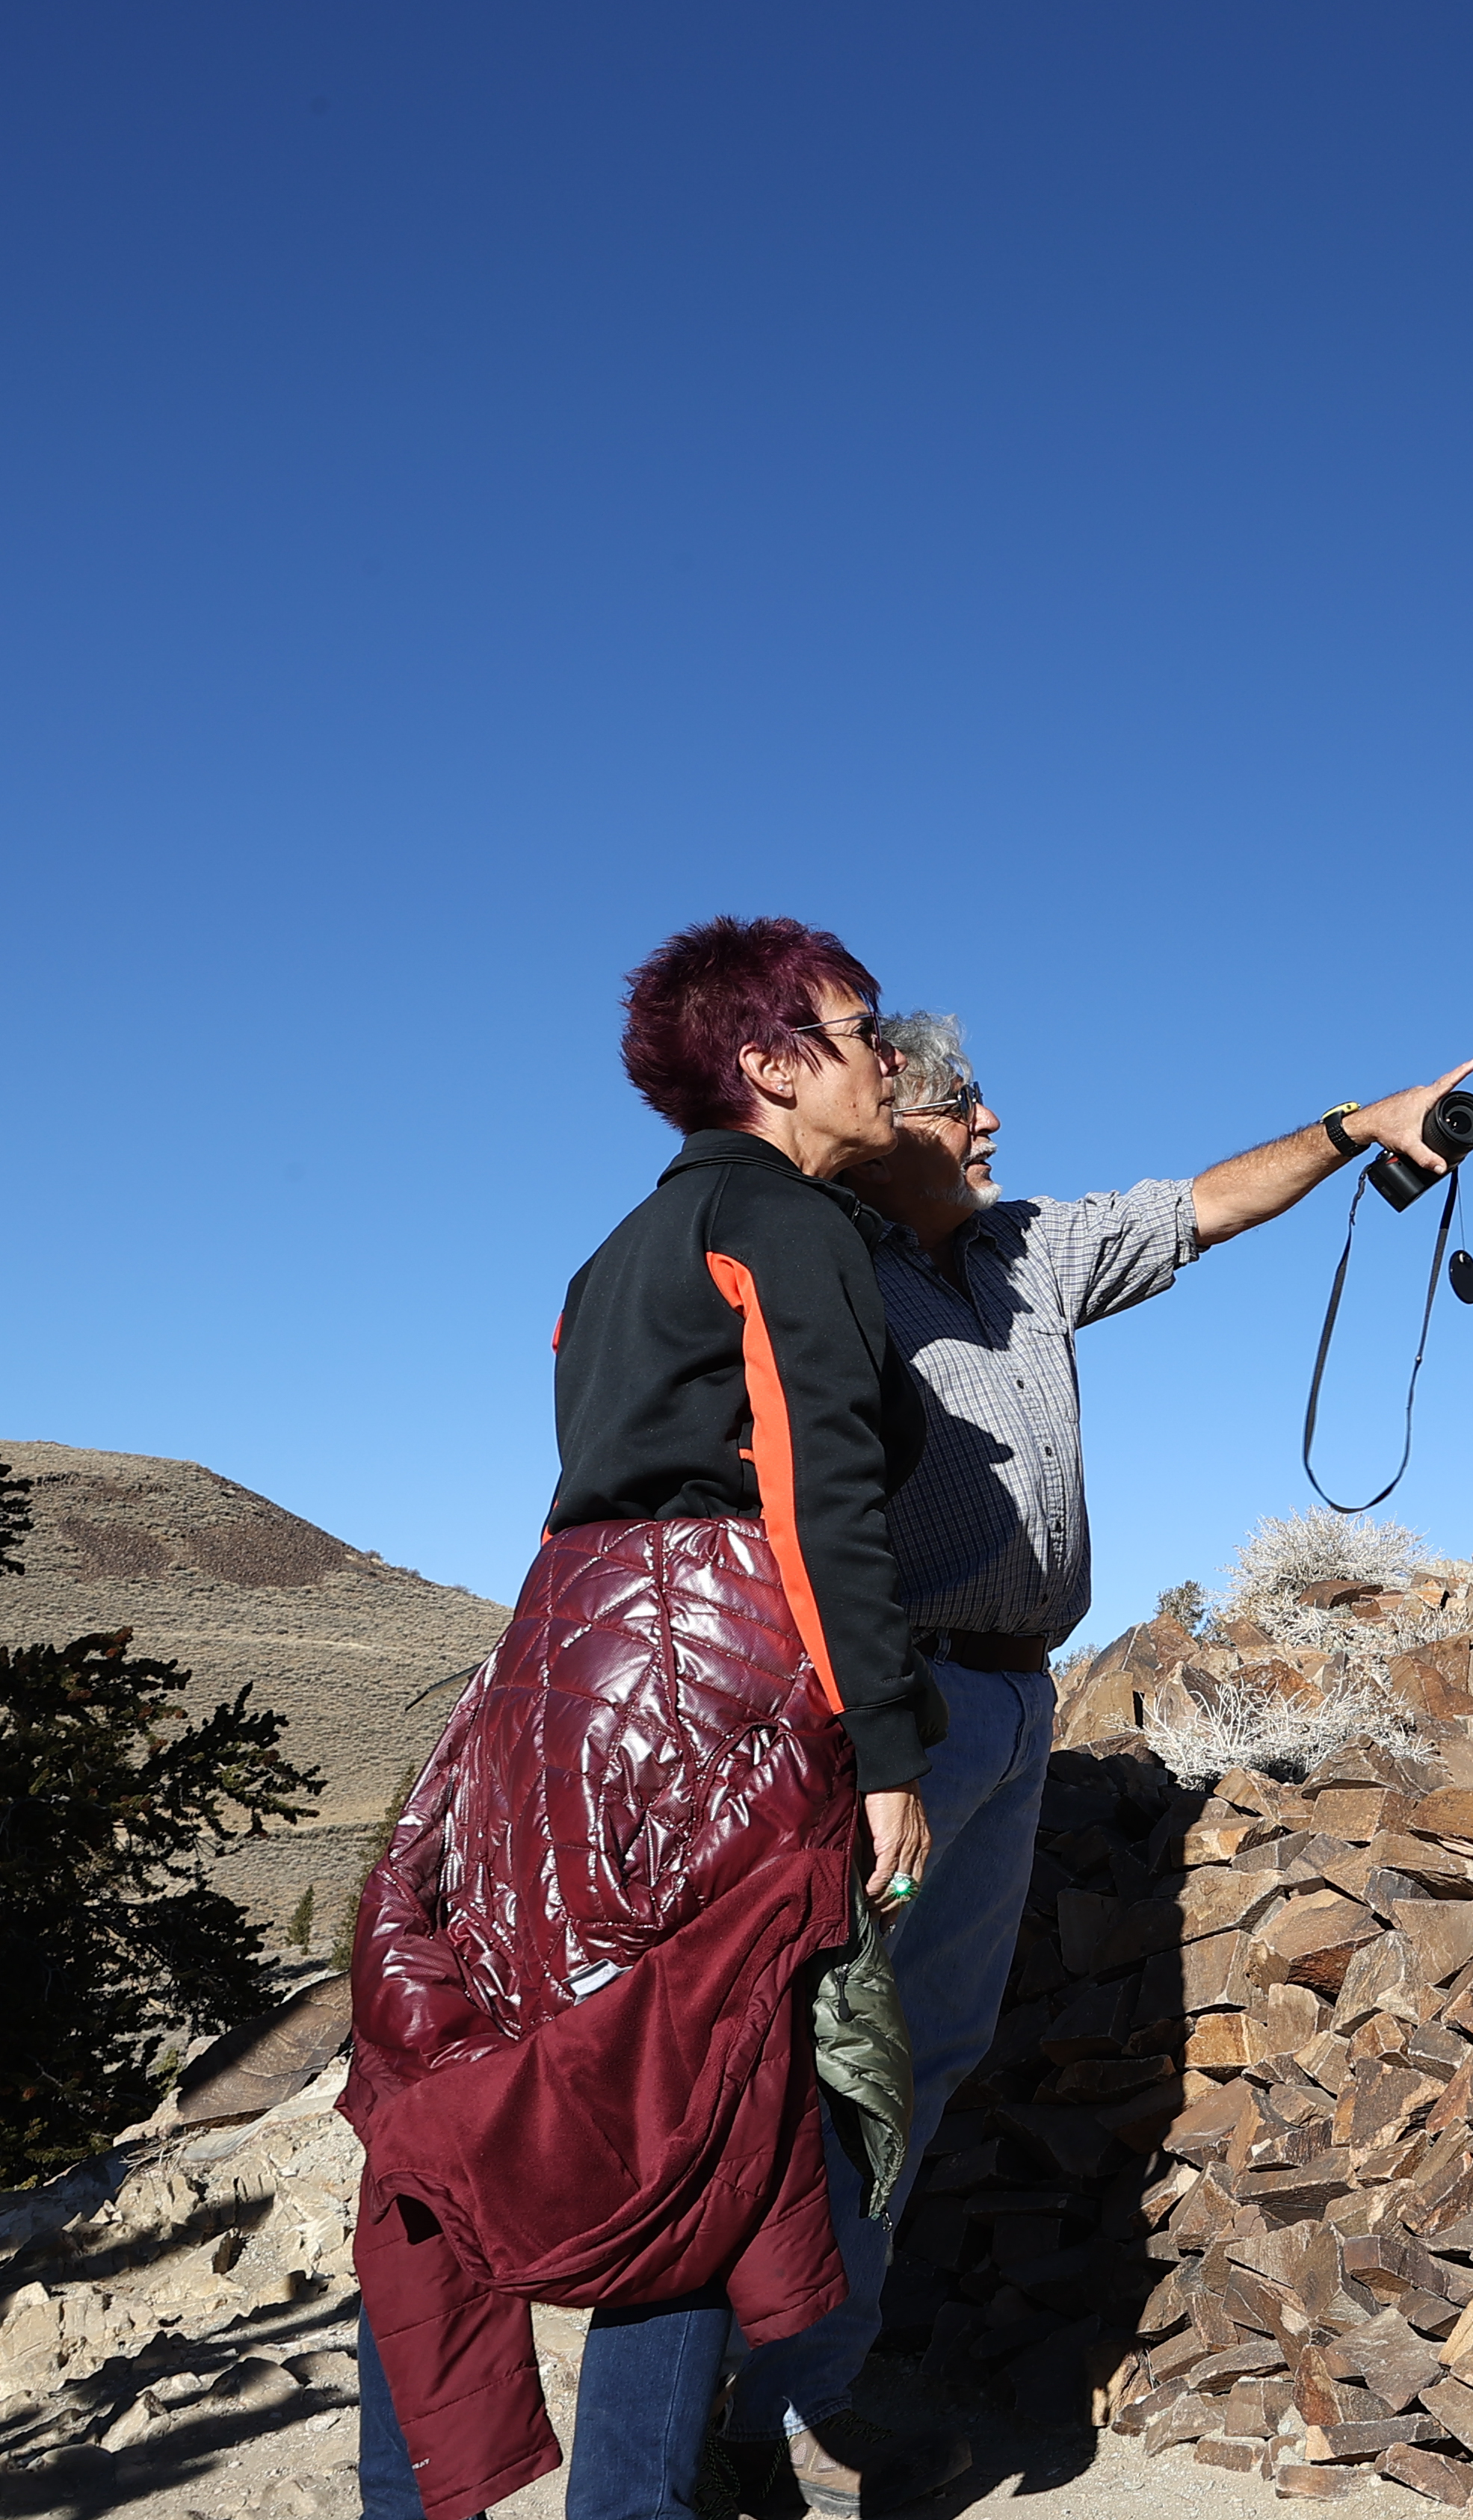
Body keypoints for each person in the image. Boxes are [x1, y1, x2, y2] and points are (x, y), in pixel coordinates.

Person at [725, 1014, 1473, 2511]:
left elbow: (1205, 1205)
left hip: (1019, 1705)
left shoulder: (1028, 1252)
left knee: (926, 2054)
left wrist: (1357, 1127)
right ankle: (750, 2405)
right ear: (884, 1116)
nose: (991, 1123)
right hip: (896, 1709)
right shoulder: (831, 1266)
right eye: (961, 1102)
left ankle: (821, 2389)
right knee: (824, 2053)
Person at [345, 917, 942, 2520]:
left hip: (553, 1667)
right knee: (693, 2101)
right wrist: (887, 1748)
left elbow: (596, 1486)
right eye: (862, 1027)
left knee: (493, 2073)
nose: (892, 1056)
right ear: (769, 1064)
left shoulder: (612, 1253)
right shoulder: (786, 1223)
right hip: (705, 1679)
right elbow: (820, 1496)